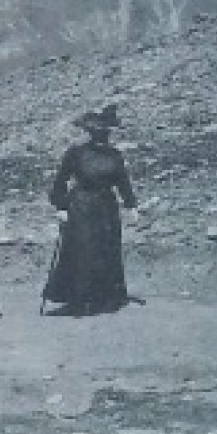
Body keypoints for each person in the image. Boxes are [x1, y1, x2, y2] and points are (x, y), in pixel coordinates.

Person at [42, 105, 138, 317]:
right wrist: (61, 207)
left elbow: (123, 182)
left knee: (107, 251)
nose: (101, 135)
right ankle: (79, 300)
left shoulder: (115, 155)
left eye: (104, 131)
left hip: (107, 208)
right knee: (83, 252)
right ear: (90, 132)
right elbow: (60, 182)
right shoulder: (75, 153)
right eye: (96, 131)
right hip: (81, 207)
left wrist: (131, 205)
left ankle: (105, 299)